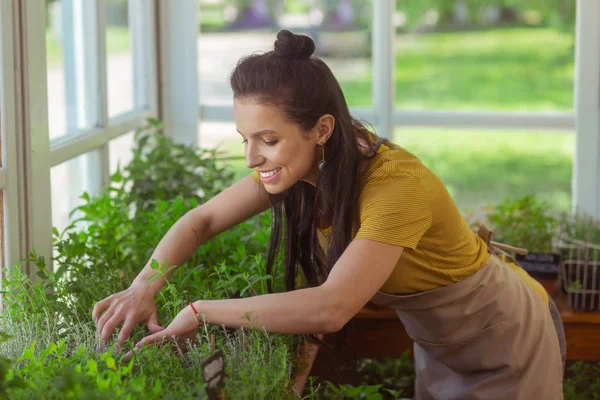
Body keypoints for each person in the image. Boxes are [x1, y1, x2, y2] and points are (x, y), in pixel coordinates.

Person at [93, 30, 566, 399]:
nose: (251, 159)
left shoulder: (396, 185)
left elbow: (332, 306)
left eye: (268, 139)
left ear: (321, 129)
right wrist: (143, 286)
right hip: (441, 343)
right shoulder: (300, 169)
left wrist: (201, 312)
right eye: (245, 139)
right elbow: (203, 221)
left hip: (504, 337)